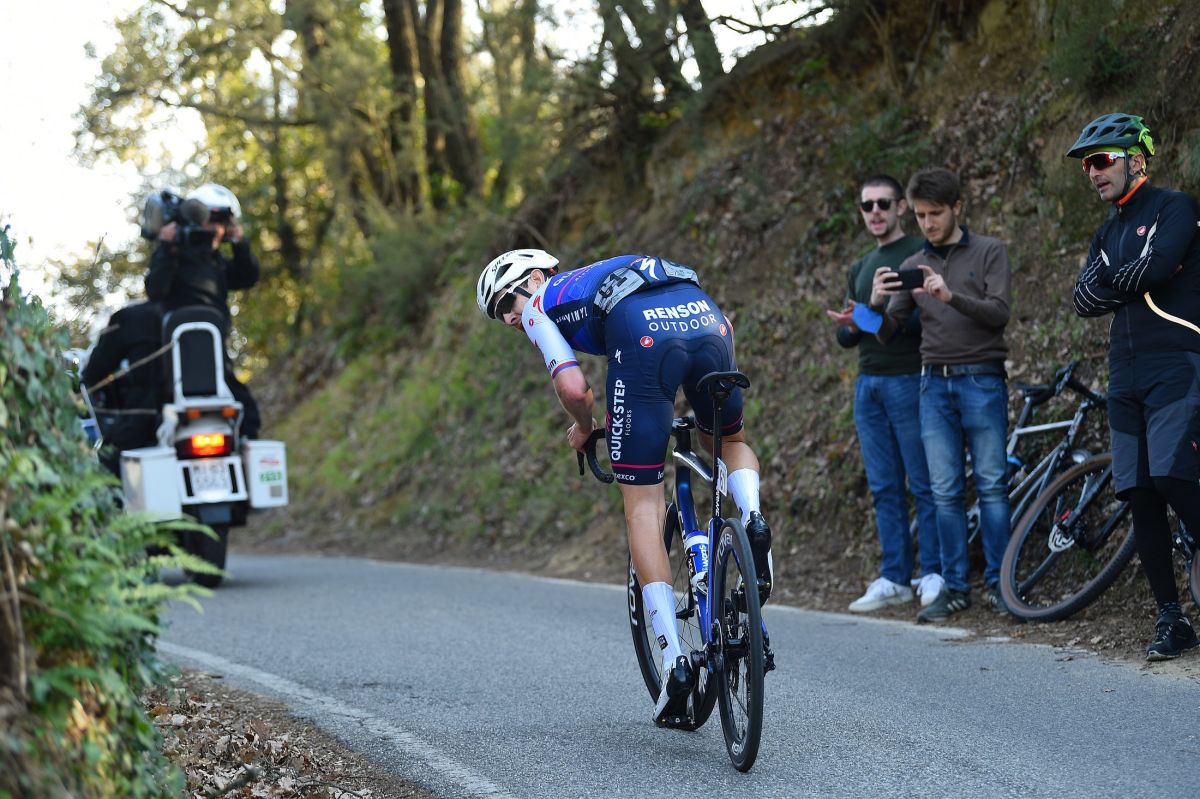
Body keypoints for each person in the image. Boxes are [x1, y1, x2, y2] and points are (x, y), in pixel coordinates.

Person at [476, 249, 772, 725]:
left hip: (641, 338)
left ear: (534, 278)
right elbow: (724, 326)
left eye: (506, 302)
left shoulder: (540, 304)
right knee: (728, 441)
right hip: (707, 319)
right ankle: (754, 520)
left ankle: (674, 660)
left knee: (643, 506)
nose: (509, 317)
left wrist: (584, 426)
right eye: (498, 314)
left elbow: (575, 389)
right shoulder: (603, 273)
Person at [1068, 113, 1200, 661]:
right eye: (1087, 166)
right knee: (1139, 493)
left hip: (1175, 361)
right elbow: (1082, 299)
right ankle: (1172, 617)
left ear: (1136, 159)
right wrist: (1132, 275)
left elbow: (1156, 269)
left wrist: (1121, 278)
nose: (1093, 172)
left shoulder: (1174, 207)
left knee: (1170, 475)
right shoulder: (1107, 231)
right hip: (1123, 371)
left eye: (1101, 160)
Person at [870, 167, 1013, 622]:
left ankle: (1002, 585)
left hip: (982, 379)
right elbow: (889, 333)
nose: (927, 223)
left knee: (991, 486)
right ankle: (955, 588)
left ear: (957, 208)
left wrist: (950, 297)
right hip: (932, 384)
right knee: (945, 491)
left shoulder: (989, 251)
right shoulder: (914, 265)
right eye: (919, 215)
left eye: (935, 214)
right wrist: (873, 307)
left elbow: (999, 313)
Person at [825, 174, 941, 613]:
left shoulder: (919, 253)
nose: (874, 212)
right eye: (866, 205)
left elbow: (921, 323)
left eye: (883, 204)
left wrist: (871, 314)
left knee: (923, 481)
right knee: (884, 486)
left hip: (909, 379)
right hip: (867, 384)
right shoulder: (861, 266)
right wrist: (868, 309)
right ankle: (895, 576)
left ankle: (932, 572)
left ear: (900, 208)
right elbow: (845, 338)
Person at [145, 183, 262, 438]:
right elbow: (155, 290)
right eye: (211, 220)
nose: (216, 228)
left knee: (248, 416)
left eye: (222, 223)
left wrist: (240, 243)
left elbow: (248, 276)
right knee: (152, 422)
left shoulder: (217, 262)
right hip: (172, 360)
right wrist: (166, 247)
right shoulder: (174, 254)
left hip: (217, 359)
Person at [81, 301, 165, 475]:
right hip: (210, 407)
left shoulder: (134, 316)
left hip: (148, 412)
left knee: (109, 458)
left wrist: (88, 376)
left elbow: (96, 370)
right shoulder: (210, 309)